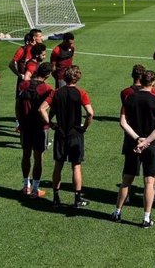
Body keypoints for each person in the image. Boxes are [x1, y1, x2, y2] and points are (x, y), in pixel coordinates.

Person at [111, 70, 155, 228]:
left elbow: (123, 122)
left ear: (140, 81)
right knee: (149, 182)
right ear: (153, 83)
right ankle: (146, 218)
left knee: (126, 180)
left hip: (132, 144)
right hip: (152, 145)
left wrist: (137, 139)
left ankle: (117, 212)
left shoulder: (129, 97)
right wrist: (146, 141)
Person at [39, 65, 94, 208]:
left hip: (60, 132)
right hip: (75, 133)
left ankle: (56, 198)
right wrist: (84, 127)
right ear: (78, 77)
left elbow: (42, 109)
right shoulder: (81, 93)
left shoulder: (56, 93)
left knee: (58, 165)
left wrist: (50, 124)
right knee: (76, 166)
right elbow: (90, 113)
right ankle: (77, 199)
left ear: (64, 77)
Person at [16, 62, 53, 198]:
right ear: (48, 75)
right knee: (38, 158)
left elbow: (17, 105)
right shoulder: (47, 89)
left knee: (26, 155)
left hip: (25, 125)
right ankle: (35, 189)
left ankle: (26, 186)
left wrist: (20, 122)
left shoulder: (24, 84)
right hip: (40, 127)